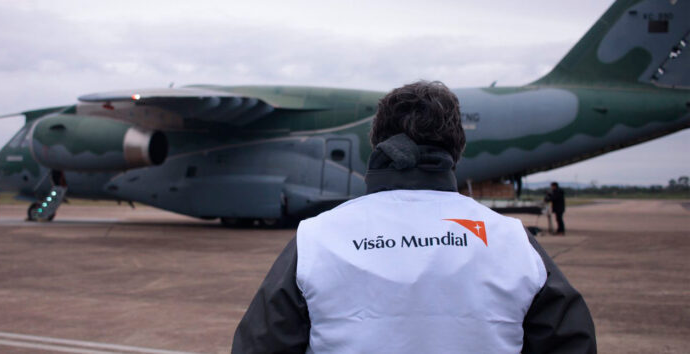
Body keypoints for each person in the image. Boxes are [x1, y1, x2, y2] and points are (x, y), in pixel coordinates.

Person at [232, 81, 596, 353]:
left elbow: (261, 345)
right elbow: (571, 343)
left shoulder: (317, 239)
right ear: (456, 148)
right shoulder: (513, 241)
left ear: (377, 142)